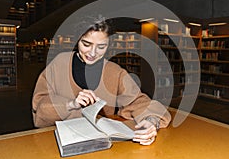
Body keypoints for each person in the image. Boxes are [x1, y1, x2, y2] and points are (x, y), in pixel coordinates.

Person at [32, 18, 171, 145]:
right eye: (86, 44)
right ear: (77, 40)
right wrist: (71, 104)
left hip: (101, 143)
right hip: (57, 141)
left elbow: (139, 102)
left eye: (101, 47)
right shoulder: (59, 63)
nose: (92, 53)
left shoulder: (115, 71)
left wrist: (151, 121)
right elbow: (40, 106)